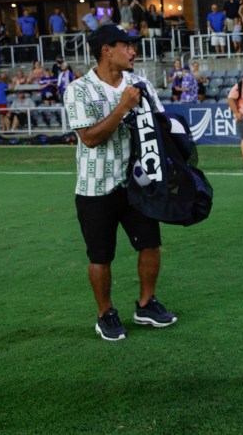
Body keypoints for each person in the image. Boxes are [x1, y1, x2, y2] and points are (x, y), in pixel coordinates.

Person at [62, 24, 178, 341]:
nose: (133, 51)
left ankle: (146, 304)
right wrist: (124, 106)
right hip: (95, 187)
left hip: (137, 183)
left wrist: (166, 168)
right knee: (100, 255)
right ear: (106, 50)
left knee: (150, 244)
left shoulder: (141, 84)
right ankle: (105, 314)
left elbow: (160, 128)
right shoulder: (78, 89)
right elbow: (89, 138)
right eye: (126, 46)